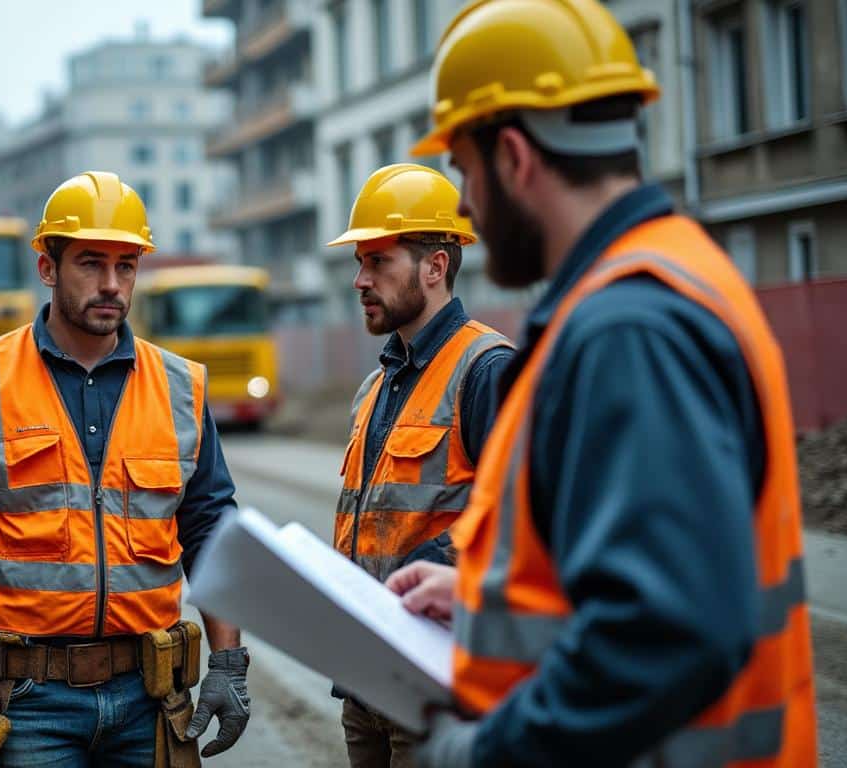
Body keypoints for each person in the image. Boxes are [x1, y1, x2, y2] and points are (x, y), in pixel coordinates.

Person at [384, 1, 817, 766]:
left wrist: (478, 754)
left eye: (464, 169)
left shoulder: (626, 331)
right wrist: (485, 606)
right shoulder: (669, 273)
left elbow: (664, 634)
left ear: (515, 157)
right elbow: (630, 583)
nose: (464, 204)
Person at [0, 171, 251, 768]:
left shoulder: (181, 386)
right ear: (48, 267)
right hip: (30, 701)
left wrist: (229, 663)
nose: (111, 284)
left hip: (150, 696)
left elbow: (211, 528)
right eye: (90, 263)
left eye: (126, 265)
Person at [326, 164, 512, 768]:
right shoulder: (373, 389)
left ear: (435, 266)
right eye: (360, 262)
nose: (360, 279)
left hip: (439, 680)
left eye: (377, 261)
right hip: (367, 679)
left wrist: (416, 579)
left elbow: (520, 520)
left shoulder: (487, 371)